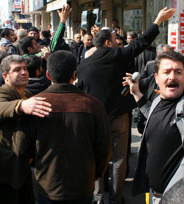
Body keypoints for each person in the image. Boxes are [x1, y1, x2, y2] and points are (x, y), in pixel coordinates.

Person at [76, 7, 175, 204]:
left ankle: (97, 199)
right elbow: (141, 42)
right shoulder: (115, 55)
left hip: (95, 119)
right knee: (119, 159)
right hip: (118, 117)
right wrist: (157, 20)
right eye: (114, 40)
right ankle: (116, 197)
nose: (117, 42)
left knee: (98, 157)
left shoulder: (83, 66)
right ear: (107, 43)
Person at [12, 50, 111, 204]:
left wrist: (38, 164)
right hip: (83, 184)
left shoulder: (33, 104)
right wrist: (97, 173)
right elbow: (104, 147)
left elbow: (21, 148)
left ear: (48, 75)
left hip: (47, 184)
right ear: (74, 75)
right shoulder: (93, 105)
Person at [123, 51, 184, 204]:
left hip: (177, 199)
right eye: (166, 72)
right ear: (156, 78)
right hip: (153, 194)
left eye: (178, 72)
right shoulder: (157, 101)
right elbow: (156, 118)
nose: (172, 77)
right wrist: (137, 95)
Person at [0, 55, 52, 204]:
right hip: (6, 169)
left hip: (23, 167)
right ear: (5, 76)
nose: (24, 72)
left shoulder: (27, 94)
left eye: (25, 68)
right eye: (17, 70)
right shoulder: (1, 92)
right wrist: (20, 106)